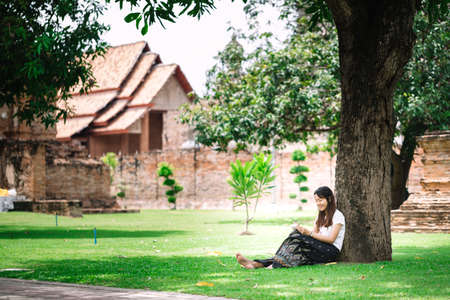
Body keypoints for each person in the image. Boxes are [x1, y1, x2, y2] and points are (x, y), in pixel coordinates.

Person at [236, 186, 345, 269]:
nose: (318, 203)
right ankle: (255, 264)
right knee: (295, 245)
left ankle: (267, 264)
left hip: (330, 252)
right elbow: (315, 235)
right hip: (320, 248)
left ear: (329, 199)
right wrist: (304, 231)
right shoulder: (320, 215)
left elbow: (331, 239)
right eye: (316, 200)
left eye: (320, 200)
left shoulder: (337, 216)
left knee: (296, 237)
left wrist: (308, 233)